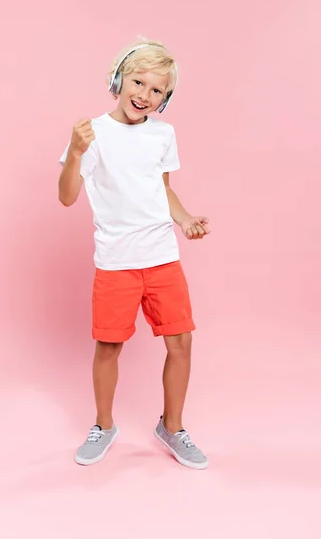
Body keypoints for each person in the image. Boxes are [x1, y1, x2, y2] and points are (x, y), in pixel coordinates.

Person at [58, 36, 210, 469]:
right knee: (108, 346)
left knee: (181, 343)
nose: (144, 94)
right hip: (116, 264)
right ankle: (103, 425)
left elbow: (163, 191)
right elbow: (67, 196)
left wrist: (184, 220)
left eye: (156, 89)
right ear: (118, 79)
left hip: (162, 257)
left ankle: (173, 426)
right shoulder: (93, 133)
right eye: (137, 82)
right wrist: (75, 150)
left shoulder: (163, 134)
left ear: (165, 98)